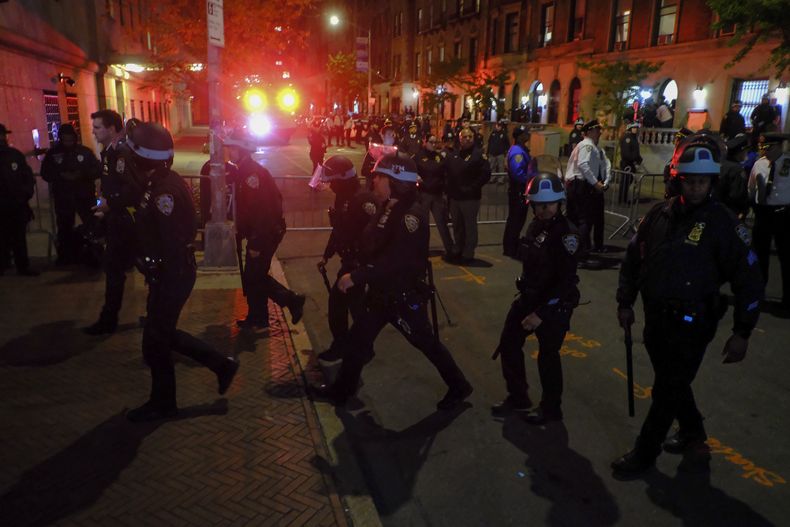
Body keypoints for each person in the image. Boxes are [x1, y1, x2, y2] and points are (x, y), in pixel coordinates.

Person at [612, 133, 764, 477]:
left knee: (666, 391)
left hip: (694, 324)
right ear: (678, 180)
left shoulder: (724, 224)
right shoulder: (658, 216)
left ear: (711, 182)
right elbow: (634, 261)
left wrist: (743, 331)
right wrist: (625, 301)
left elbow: (749, 280)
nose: (695, 188)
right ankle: (693, 431)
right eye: (689, 181)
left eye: (702, 182)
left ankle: (644, 454)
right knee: (673, 382)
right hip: (656, 322)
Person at [310, 152, 473, 410]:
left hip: (401, 298)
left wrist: (357, 276)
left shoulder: (411, 215)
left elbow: (397, 260)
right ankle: (342, 391)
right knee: (357, 341)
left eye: (380, 177)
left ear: (396, 181)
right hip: (380, 295)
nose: (374, 181)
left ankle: (459, 386)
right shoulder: (390, 206)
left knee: (427, 344)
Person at [123, 123, 239, 422]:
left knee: (157, 338)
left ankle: (164, 403)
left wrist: (154, 265)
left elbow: (173, 241)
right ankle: (219, 366)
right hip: (166, 272)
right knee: (160, 335)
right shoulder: (156, 182)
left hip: (173, 273)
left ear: (142, 158)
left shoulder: (166, 192)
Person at [492, 172, 580, 423]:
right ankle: (518, 397)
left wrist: (541, 313)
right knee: (508, 343)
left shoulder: (567, 235)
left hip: (553, 306)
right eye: (538, 204)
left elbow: (565, 281)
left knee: (548, 356)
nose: (543, 209)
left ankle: (551, 408)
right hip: (529, 297)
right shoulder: (535, 226)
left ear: (559, 203)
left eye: (548, 204)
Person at [224, 129, 305, 329]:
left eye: (233, 149)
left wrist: (256, 243)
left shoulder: (252, 175)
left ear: (242, 151)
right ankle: (259, 317)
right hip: (260, 232)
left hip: (266, 233)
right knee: (254, 276)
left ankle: (290, 300)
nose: (229, 152)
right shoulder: (242, 171)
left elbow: (262, 212)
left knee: (254, 276)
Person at [310, 155, 378, 363]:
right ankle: (359, 347)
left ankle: (347, 347)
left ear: (342, 179)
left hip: (358, 263)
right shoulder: (343, 197)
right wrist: (327, 254)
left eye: (332, 181)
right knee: (355, 307)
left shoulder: (362, 199)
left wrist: (362, 266)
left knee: (344, 305)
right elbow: (339, 229)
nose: (330, 185)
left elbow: (376, 234)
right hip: (349, 260)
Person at [84, 110, 139, 334]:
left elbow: (132, 189)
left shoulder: (120, 153)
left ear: (112, 128)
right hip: (116, 218)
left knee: (117, 269)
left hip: (126, 221)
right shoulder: (110, 152)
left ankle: (109, 321)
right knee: (115, 268)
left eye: (97, 127)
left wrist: (110, 203)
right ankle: (109, 319)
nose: (93, 132)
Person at [40, 123, 101, 264]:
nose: (68, 143)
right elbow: (46, 173)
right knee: (64, 227)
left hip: (84, 196)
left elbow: (97, 169)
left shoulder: (84, 152)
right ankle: (66, 256)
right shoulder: (53, 153)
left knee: (91, 225)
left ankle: (93, 255)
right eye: (65, 139)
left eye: (70, 139)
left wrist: (82, 174)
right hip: (63, 197)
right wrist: (61, 175)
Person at [748, 133, 790, 311]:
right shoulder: (759, 164)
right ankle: (758, 294)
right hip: (764, 213)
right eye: (764, 148)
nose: (766, 151)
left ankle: (787, 299)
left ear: (780, 146)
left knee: (786, 258)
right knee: (759, 256)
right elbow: (751, 188)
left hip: (784, 214)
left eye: (770, 147)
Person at [565, 119, 611, 263]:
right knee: (584, 220)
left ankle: (572, 251)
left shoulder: (591, 147)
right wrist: (595, 183)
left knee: (574, 220)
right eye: (597, 130)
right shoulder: (587, 146)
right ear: (590, 131)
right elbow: (583, 165)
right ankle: (581, 253)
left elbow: (603, 166)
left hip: (578, 185)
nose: (599, 133)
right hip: (580, 185)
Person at [444, 127, 491, 263]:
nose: (468, 139)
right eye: (465, 137)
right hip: (455, 198)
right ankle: (458, 247)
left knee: (469, 226)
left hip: (470, 199)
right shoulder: (454, 154)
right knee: (457, 225)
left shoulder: (478, 155)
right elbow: (447, 171)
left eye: (470, 136)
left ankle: (468, 252)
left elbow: (485, 174)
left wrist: (472, 188)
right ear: (460, 139)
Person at [0, 123, 38, 276]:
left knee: (19, 237)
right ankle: (3, 264)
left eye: (2, 135)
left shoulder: (14, 155)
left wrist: (25, 194)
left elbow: (27, 176)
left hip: (17, 205)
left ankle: (22, 265)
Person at [415, 134, 454, 258]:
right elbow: (411, 170)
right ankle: (422, 249)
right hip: (424, 195)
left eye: (435, 142)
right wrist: (416, 177)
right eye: (431, 142)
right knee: (423, 225)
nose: (433, 144)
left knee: (442, 224)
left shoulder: (439, 157)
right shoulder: (418, 156)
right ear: (425, 142)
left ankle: (450, 249)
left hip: (437, 195)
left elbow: (446, 172)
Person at [502, 127, 534, 258]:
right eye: (525, 133)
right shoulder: (517, 152)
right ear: (519, 136)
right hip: (518, 190)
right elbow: (517, 173)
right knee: (515, 220)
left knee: (517, 220)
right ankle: (510, 248)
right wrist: (531, 180)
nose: (528, 134)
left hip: (521, 190)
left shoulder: (520, 150)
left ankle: (511, 245)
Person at [715, 134, 750, 218]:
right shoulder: (737, 169)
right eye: (745, 151)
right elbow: (737, 195)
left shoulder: (720, 164)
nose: (746, 154)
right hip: (730, 213)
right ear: (740, 152)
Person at [361, 125, 398, 190]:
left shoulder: (397, 153)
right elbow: (364, 171)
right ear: (382, 136)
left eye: (393, 135)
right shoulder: (373, 151)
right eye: (389, 134)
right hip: (374, 189)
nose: (392, 138)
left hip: (391, 191)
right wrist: (378, 174)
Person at [663, 128, 693, 198]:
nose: (675, 142)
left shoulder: (686, 156)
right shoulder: (678, 154)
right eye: (676, 139)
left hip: (678, 195)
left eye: (677, 140)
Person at [618, 122, 642, 204]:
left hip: (631, 163)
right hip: (627, 163)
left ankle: (624, 199)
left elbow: (635, 151)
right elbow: (626, 153)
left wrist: (639, 159)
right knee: (625, 182)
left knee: (628, 181)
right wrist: (635, 160)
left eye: (636, 128)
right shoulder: (627, 138)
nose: (635, 129)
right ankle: (622, 200)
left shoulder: (634, 138)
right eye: (634, 128)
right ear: (630, 128)